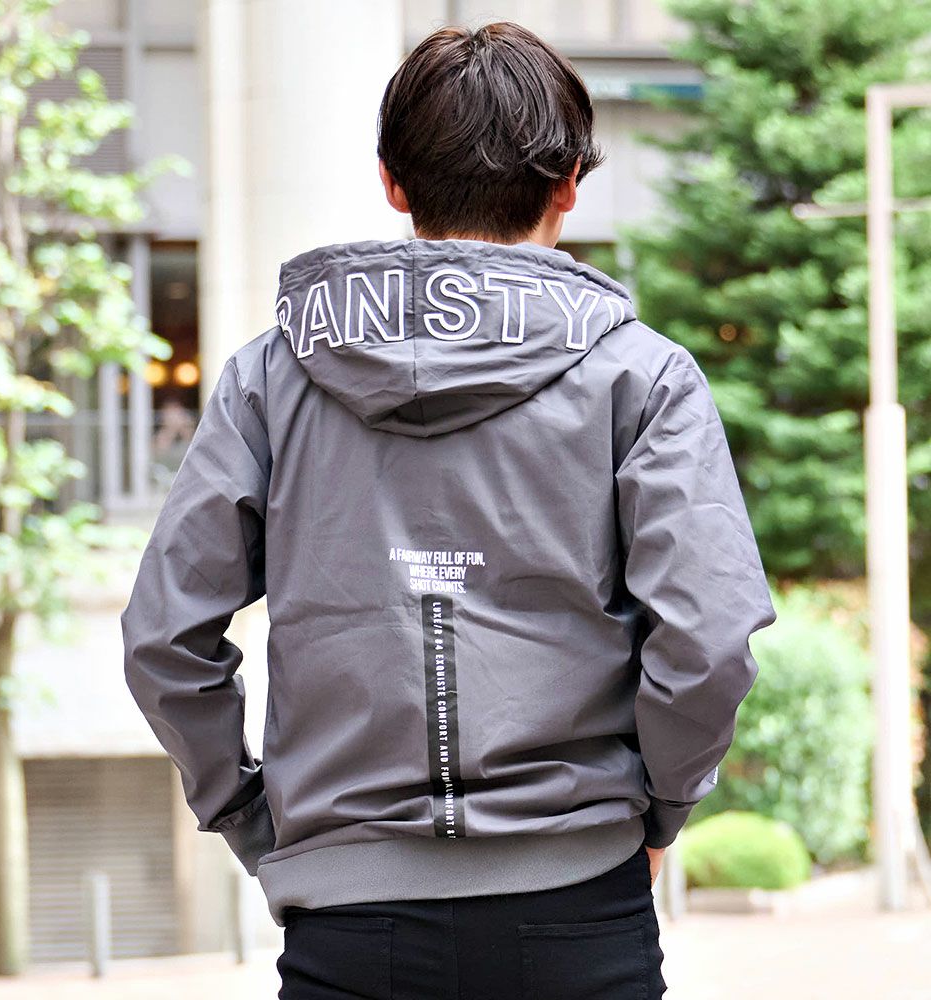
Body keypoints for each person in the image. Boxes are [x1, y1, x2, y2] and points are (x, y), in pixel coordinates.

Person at [121, 20, 776, 1000]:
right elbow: (709, 637)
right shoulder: (640, 378)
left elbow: (164, 638)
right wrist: (662, 806)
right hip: (578, 907)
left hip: (348, 927)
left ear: (392, 181)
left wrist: (255, 820)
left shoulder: (272, 378)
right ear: (569, 184)